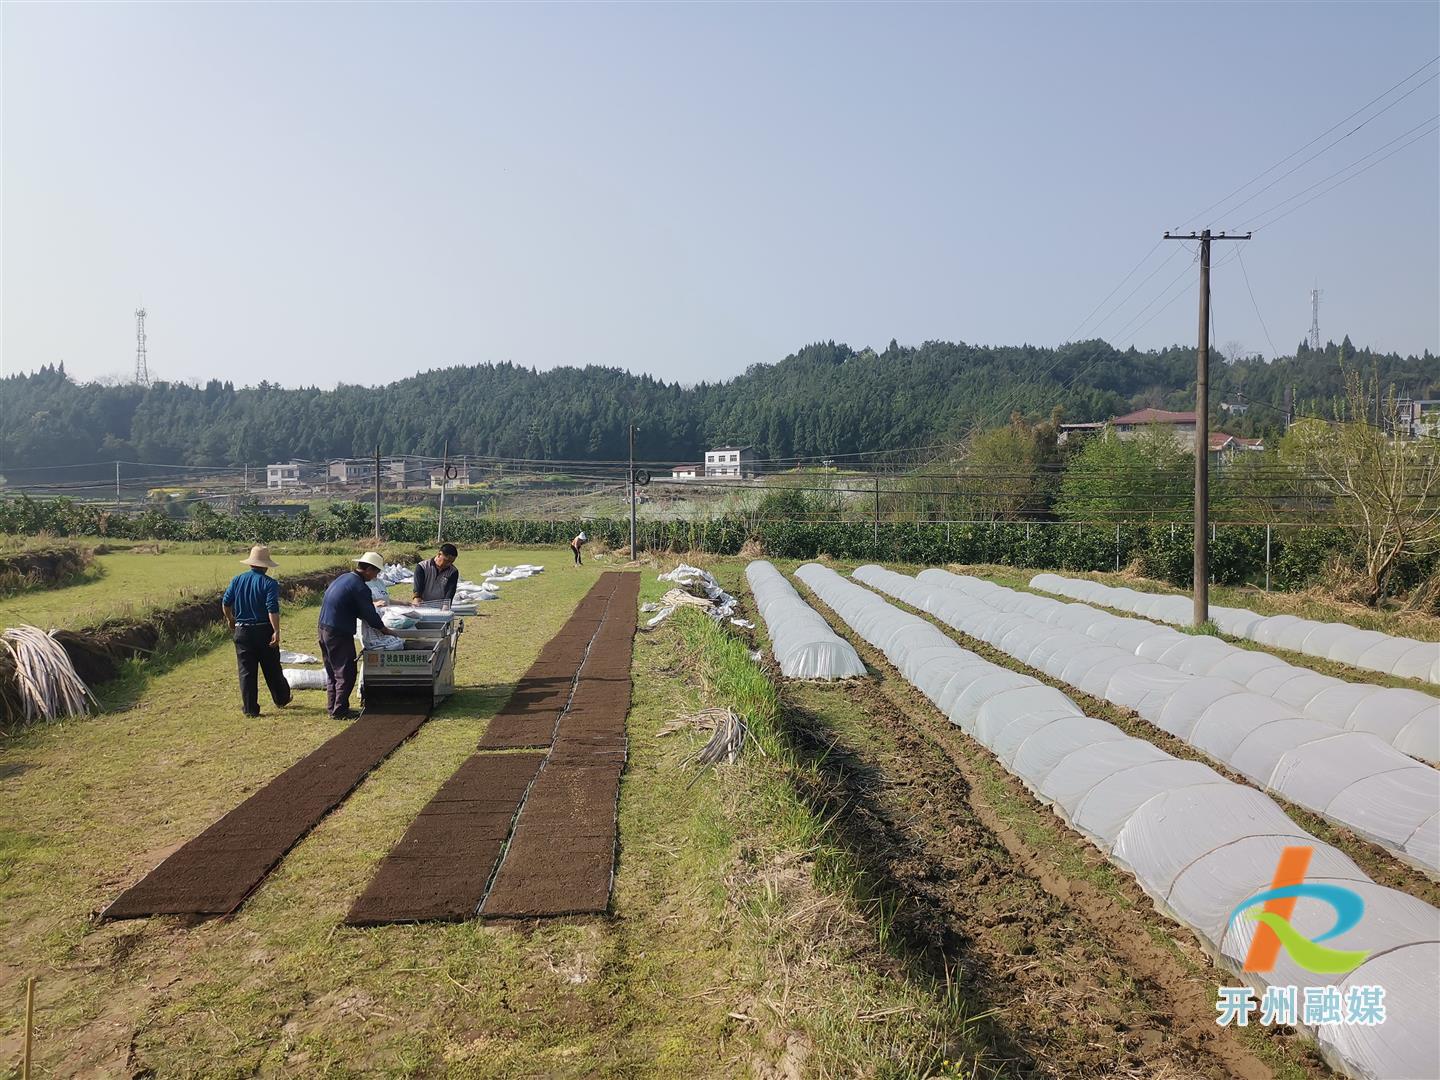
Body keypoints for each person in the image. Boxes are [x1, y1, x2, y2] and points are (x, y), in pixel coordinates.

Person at [317, 551, 390, 720]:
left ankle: (333, 707)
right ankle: (340, 710)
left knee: (332, 670)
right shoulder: (360, 587)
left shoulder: (344, 578)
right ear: (368, 569)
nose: (376, 576)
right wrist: (384, 629)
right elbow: (369, 614)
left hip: (323, 628)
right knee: (346, 672)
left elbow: (355, 608)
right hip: (338, 632)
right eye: (376, 572)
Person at [222, 545, 292, 718]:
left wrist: (231, 619)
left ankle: (250, 709)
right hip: (263, 630)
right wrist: (276, 630)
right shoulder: (269, 583)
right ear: (266, 565)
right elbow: (272, 609)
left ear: (251, 563)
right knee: (272, 667)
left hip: (242, 632)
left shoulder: (237, 580)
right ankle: (281, 698)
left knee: (246, 672)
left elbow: (226, 603)